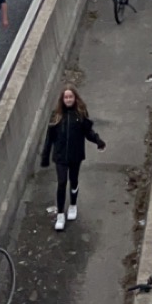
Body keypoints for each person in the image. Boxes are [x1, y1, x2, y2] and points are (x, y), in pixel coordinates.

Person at [40, 84, 105, 228]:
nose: (68, 100)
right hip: (60, 157)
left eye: (71, 97)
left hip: (76, 156)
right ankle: (60, 215)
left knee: (73, 180)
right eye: (66, 97)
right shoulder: (56, 116)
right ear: (62, 99)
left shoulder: (80, 115)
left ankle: (73, 204)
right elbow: (49, 138)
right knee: (62, 182)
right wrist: (45, 156)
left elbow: (88, 132)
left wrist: (98, 141)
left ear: (75, 98)